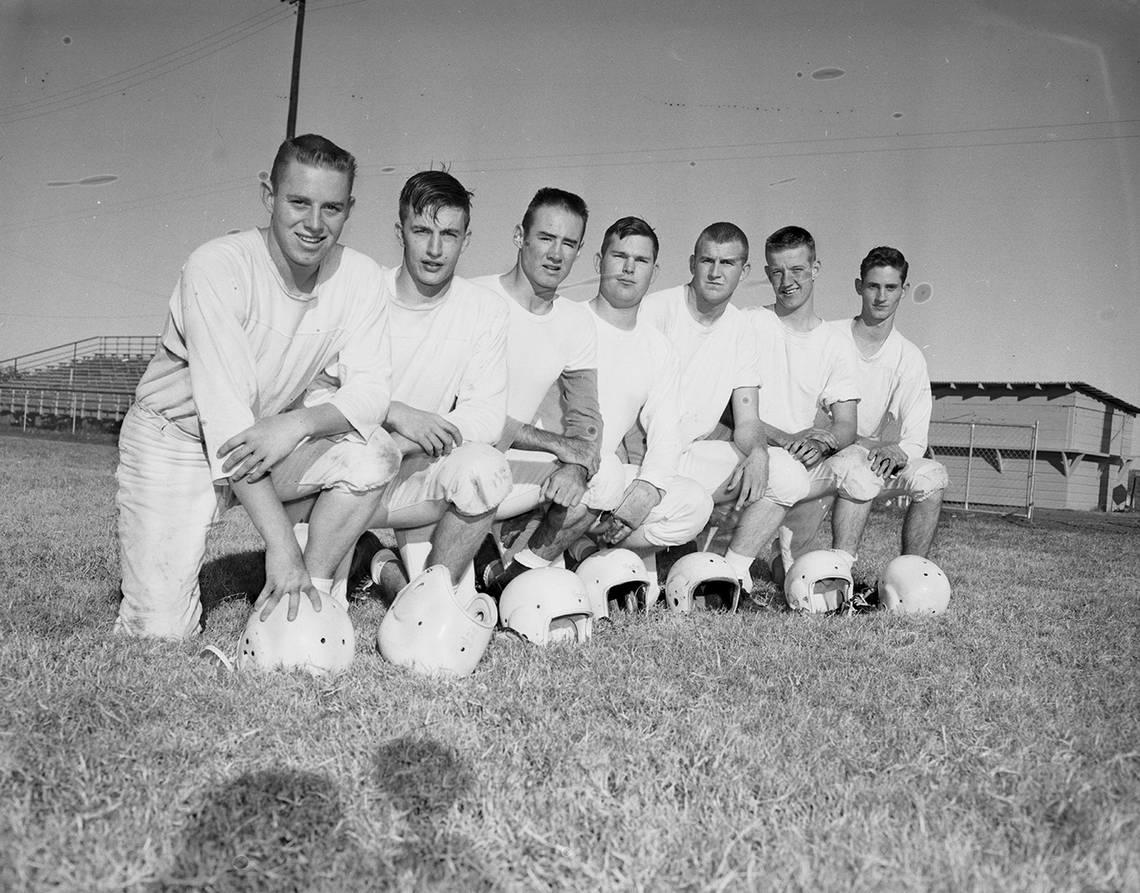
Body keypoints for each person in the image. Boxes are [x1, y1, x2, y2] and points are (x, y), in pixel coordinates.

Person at [115, 134, 400, 639]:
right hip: (175, 441)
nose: (314, 224)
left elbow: (373, 393)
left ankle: (306, 599)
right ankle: (273, 564)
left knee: (373, 454)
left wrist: (298, 423)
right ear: (269, 195)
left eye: (332, 207)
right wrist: (279, 544)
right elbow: (225, 421)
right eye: (298, 202)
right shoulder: (217, 265)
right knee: (158, 634)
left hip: (266, 438)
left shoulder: (361, 276)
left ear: (350, 208)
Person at [494, 217, 713, 593]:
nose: (628, 269)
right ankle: (517, 572)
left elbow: (665, 432)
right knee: (607, 471)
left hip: (595, 480)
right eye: (619, 256)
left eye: (640, 261)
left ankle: (582, 549)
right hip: (541, 464)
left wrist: (647, 490)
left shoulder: (657, 347)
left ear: (654, 271)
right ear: (599, 262)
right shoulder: (566, 318)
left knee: (693, 502)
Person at [352, 170, 512, 602]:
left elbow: (486, 416)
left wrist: (406, 443)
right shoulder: (363, 293)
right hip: (348, 469)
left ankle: (420, 588)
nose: (435, 249)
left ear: (467, 238)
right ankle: (369, 556)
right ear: (399, 230)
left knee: (485, 468)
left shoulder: (485, 310)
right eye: (422, 230)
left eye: (449, 234)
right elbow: (330, 388)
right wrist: (397, 415)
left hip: (419, 470)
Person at [637, 222, 811, 595]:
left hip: (689, 454)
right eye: (707, 261)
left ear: (744, 271)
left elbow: (746, 418)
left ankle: (733, 573)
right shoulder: (656, 310)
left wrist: (761, 452)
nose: (716, 273)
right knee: (644, 589)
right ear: (692, 262)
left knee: (788, 474)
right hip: (641, 456)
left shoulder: (740, 327)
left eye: (728, 263)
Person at [470, 188, 610, 591]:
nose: (556, 254)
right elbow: (463, 412)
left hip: (517, 468)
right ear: (520, 237)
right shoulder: (476, 297)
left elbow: (586, 415)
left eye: (569, 244)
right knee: (475, 464)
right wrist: (559, 447)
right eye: (546, 238)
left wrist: (577, 465)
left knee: (605, 479)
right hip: (461, 462)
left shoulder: (575, 321)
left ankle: (514, 576)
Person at [777, 246, 948, 574]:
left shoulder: (908, 357)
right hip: (818, 455)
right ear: (859, 286)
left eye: (891, 287)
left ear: (904, 290)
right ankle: (840, 575)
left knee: (932, 476)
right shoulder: (828, 335)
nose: (881, 297)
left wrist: (898, 452)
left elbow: (915, 437)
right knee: (789, 568)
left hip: (869, 458)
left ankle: (912, 573)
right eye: (873, 286)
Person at [743, 225, 860, 586]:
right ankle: (732, 563)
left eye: (796, 269)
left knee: (859, 470)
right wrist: (784, 438)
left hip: (802, 461)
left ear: (816, 269)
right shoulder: (750, 322)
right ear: (766, 273)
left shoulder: (836, 343)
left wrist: (819, 443)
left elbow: (846, 426)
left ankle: (842, 567)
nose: (787, 281)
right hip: (754, 451)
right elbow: (728, 409)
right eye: (776, 271)